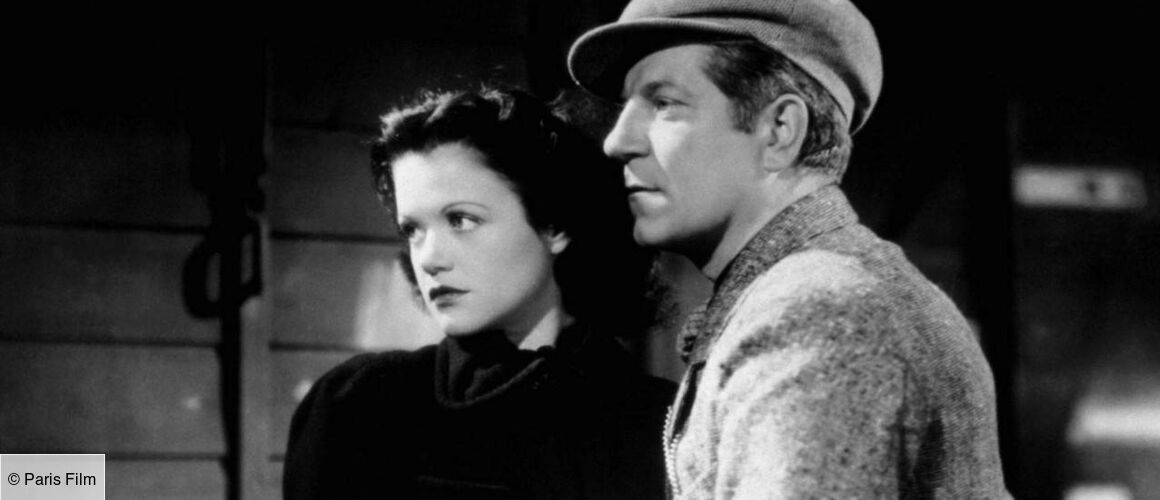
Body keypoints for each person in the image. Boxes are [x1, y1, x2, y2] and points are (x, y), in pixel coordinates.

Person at [567, 0, 1012, 498]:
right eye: (626, 106)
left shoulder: (819, 314)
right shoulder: (821, 293)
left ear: (780, 130)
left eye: (664, 103)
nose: (617, 141)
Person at [283, 87, 675, 500]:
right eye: (412, 230)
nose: (429, 259)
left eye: (462, 220)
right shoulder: (359, 405)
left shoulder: (655, 424)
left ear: (554, 225)